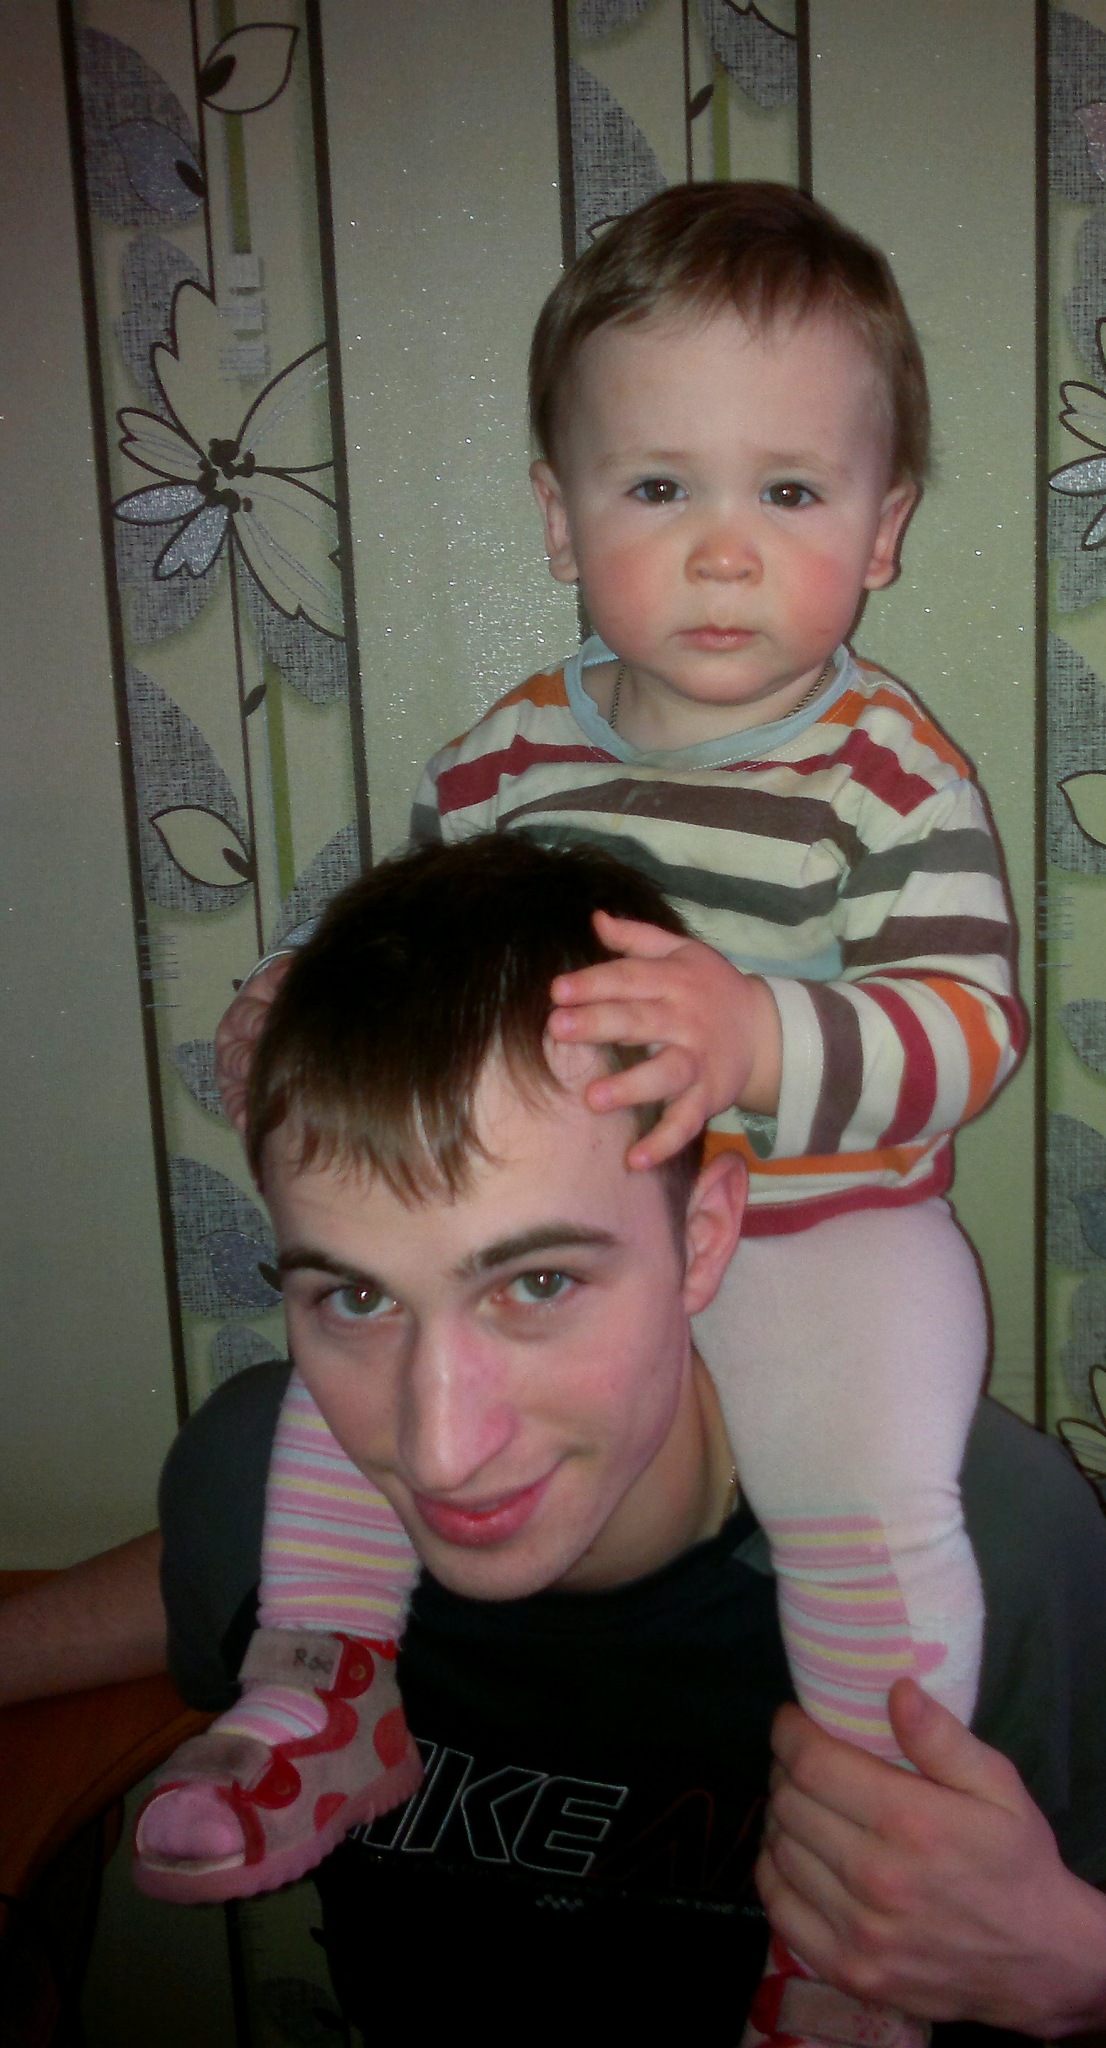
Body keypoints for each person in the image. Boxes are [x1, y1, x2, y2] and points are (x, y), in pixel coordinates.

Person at [142, 180, 1029, 2046]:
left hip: (824, 1225)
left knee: (869, 1506)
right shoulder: (506, 757)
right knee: (353, 1408)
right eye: (660, 487)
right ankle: (326, 1696)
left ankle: (855, 1907)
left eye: (791, 492)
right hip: (555, 1245)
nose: (723, 553)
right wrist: (299, 993)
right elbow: (417, 947)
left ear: (883, 530)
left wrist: (757, 1035)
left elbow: (971, 1026)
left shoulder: (888, 775)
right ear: (558, 517)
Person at [1, 833, 1106, 2045]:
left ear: (703, 1238)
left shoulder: (985, 1538)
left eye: (538, 1283)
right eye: (358, 1297)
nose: (441, 1449)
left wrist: (1080, 1967)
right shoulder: (253, 1482)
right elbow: (189, 1581)